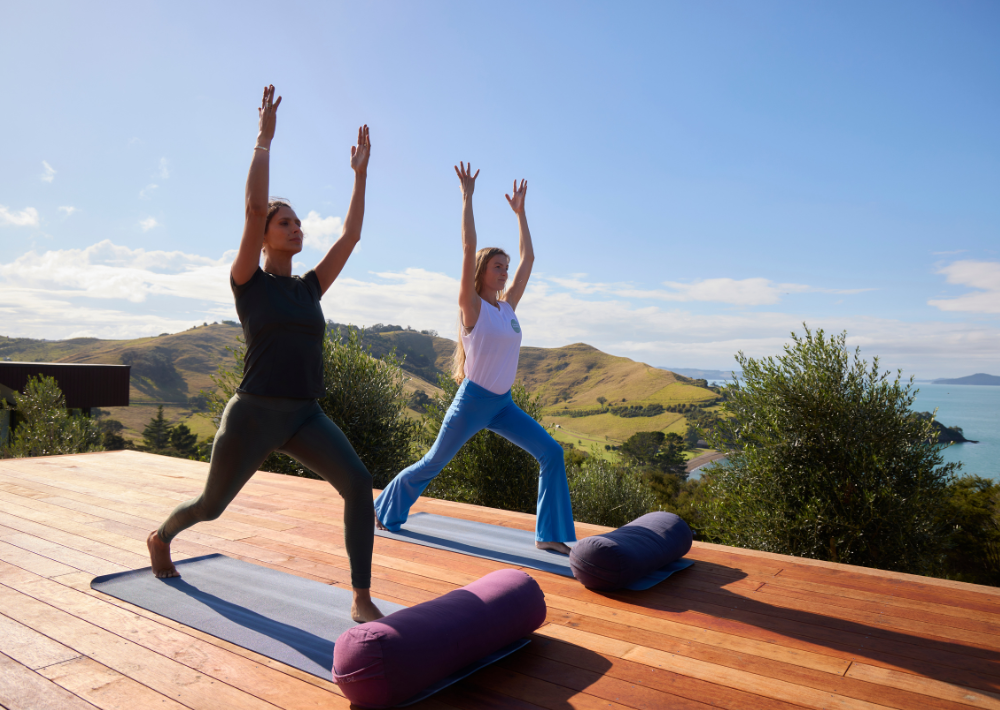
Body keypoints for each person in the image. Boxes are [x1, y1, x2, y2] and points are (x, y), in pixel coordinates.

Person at [147, 85, 383, 622]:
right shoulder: (247, 281)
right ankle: (162, 536)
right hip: (253, 414)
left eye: (299, 223)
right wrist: (264, 139)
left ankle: (361, 597)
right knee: (210, 507)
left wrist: (360, 175)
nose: (296, 229)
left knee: (357, 485)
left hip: (304, 414)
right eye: (286, 223)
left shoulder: (308, 288)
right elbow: (254, 207)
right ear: (266, 234)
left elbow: (351, 235)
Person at [374, 162, 576, 553]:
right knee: (432, 464)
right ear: (482, 272)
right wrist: (467, 198)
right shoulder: (472, 308)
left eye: (506, 268)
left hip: (502, 406)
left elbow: (529, 259)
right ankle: (383, 509)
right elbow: (468, 247)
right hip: (471, 403)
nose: (505, 273)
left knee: (551, 452)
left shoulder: (507, 309)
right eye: (498, 268)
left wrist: (521, 215)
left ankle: (549, 536)